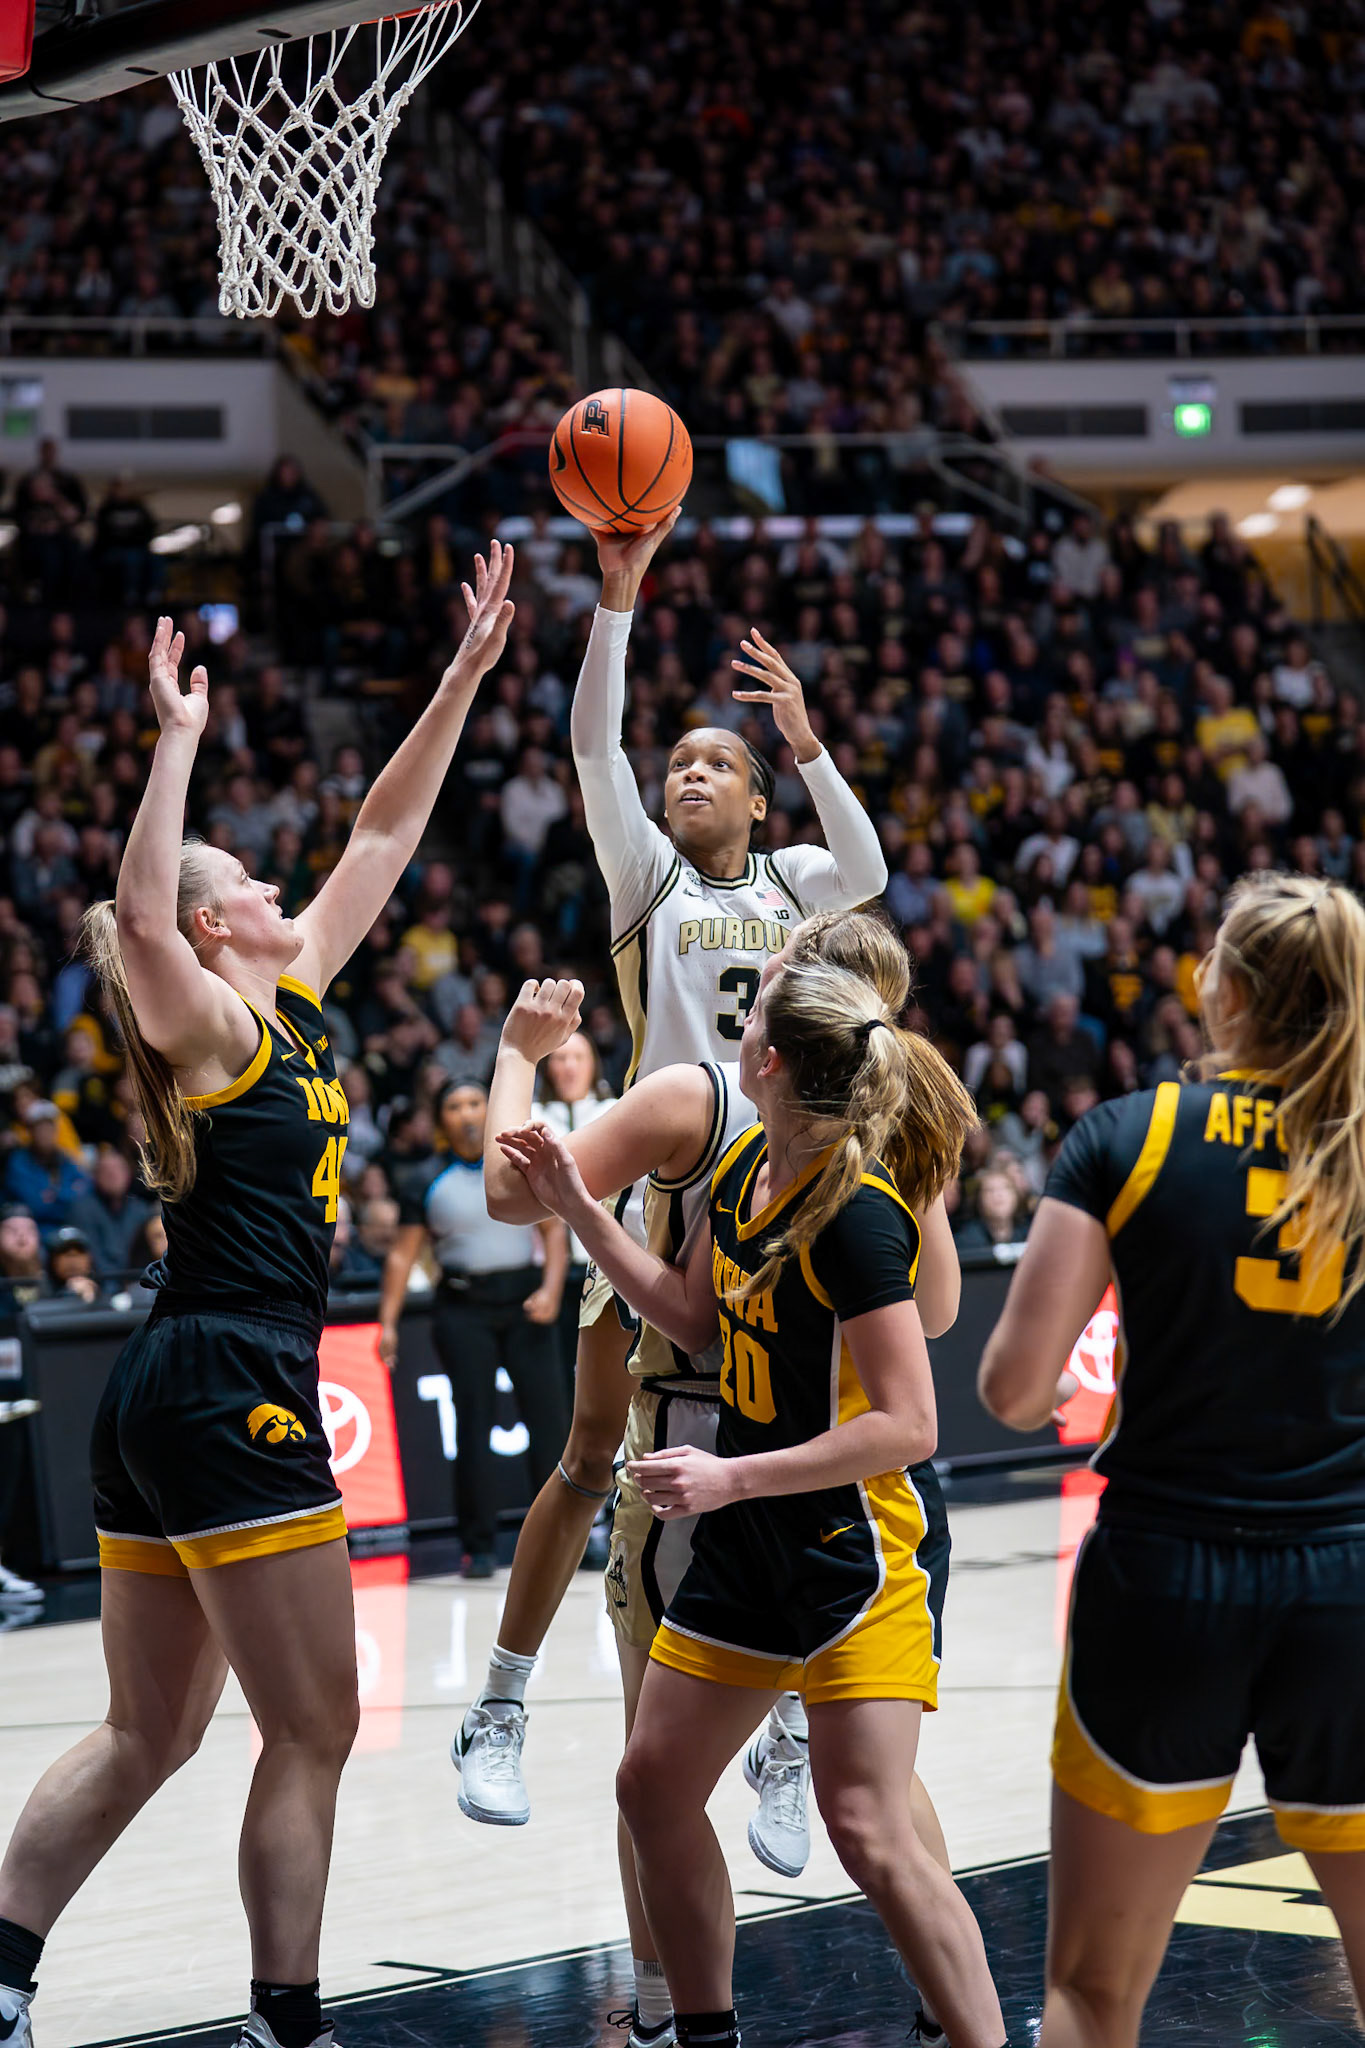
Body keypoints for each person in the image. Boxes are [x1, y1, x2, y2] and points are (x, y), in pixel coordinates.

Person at [0, 540, 518, 2048]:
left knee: (151, 1728)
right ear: (223, 924)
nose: (284, 882)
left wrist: (461, 677)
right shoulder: (215, 1023)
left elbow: (382, 833)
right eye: (251, 882)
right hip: (226, 1374)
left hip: (173, 1380)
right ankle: (285, 2022)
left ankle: (6, 1973)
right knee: (316, 1724)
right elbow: (144, 919)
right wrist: (174, 747)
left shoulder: (287, 1008)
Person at [454, 511, 888, 1872]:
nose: (687, 771)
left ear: (759, 801)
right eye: (680, 761)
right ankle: (503, 1704)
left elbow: (870, 871)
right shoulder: (645, 878)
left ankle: (787, 1740)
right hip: (665, 1191)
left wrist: (807, 740)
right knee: (589, 1459)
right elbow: (594, 745)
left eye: (716, 762)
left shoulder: (800, 883)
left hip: (782, 1205)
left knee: (782, 1478)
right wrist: (616, 601)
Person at [485, 910, 970, 2048]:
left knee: (873, 1814)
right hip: (730, 1482)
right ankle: (691, 2011)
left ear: (789, 1040)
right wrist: (582, 1210)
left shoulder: (836, 1169)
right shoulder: (746, 1137)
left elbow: (917, 1387)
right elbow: (694, 1309)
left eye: (777, 977)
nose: (754, 982)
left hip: (820, 1502)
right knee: (658, 1776)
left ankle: (951, 2016)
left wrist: (514, 1060)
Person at [978, 872, 1365, 2048]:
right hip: (1348, 1579)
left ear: (1229, 989)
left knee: (1093, 1996)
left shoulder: (1131, 1132)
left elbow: (1012, 1388)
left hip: (1166, 1575)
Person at [379, 1079, 570, 1579]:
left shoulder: (517, 1161)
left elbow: (554, 1231)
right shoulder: (425, 1178)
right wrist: (388, 1323)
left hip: (526, 1301)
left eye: (473, 1103)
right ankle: (479, 1546)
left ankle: (567, 1542)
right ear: (440, 1119)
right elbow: (402, 1255)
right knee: (473, 1425)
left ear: (488, 1107)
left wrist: (551, 1289)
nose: (466, 1113)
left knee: (550, 1422)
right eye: (454, 1106)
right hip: (463, 1307)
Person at [535, 1028, 617, 1393]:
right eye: (560, 1058)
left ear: (593, 1065)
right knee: (556, 1380)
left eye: (577, 1058)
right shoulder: (533, 1115)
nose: (568, 1067)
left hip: (607, 1267)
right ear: (549, 1067)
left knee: (606, 1374)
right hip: (547, 1272)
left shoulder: (615, 1111)